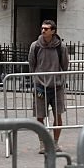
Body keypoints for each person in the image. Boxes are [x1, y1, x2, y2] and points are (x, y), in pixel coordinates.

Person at [27, 19, 69, 153]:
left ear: (53, 31)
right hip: (40, 86)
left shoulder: (60, 47)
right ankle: (42, 144)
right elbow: (31, 64)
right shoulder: (35, 46)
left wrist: (59, 79)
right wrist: (36, 80)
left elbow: (65, 65)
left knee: (58, 115)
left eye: (46, 28)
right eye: (42, 28)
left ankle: (55, 143)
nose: (43, 30)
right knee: (40, 116)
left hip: (57, 87)